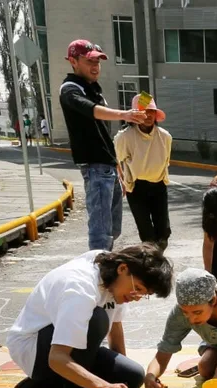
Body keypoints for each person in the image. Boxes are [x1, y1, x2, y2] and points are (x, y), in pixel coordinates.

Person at [6, 244, 174, 388]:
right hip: (35, 351)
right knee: (97, 319)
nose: (136, 297)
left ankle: (51, 380)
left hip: (67, 347)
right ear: (123, 268)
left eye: (143, 294)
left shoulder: (112, 272)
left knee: (133, 376)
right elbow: (56, 357)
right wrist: (102, 387)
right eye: (136, 288)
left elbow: (115, 328)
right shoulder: (80, 288)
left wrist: (119, 377)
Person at [59, 39, 148, 251]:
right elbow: (90, 110)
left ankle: (103, 267)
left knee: (113, 229)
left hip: (107, 166)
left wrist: (118, 167)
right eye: (89, 61)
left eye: (98, 62)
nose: (95, 66)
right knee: (100, 232)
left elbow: (102, 134)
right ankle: (98, 275)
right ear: (73, 61)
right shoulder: (70, 89)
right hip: (94, 167)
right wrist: (125, 114)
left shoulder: (93, 89)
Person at [115, 94, 173, 251]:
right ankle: (152, 268)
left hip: (159, 186)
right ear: (134, 115)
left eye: (151, 111)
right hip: (136, 188)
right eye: (143, 112)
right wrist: (123, 182)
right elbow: (118, 160)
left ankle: (157, 260)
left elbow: (165, 161)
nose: (148, 116)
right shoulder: (124, 137)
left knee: (163, 233)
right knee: (146, 234)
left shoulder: (165, 137)